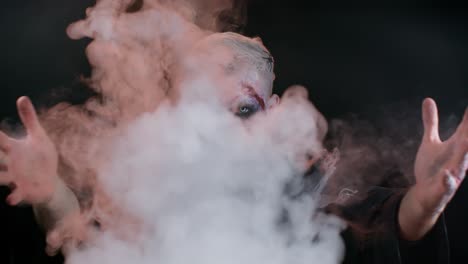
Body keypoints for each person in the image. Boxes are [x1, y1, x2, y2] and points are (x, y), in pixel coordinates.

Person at [0, 32, 467, 263]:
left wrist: (424, 204)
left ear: (278, 112)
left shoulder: (320, 196)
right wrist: (50, 193)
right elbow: (88, 245)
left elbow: (378, 229)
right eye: (203, 109)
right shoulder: (154, 200)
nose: (224, 132)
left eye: (244, 111)